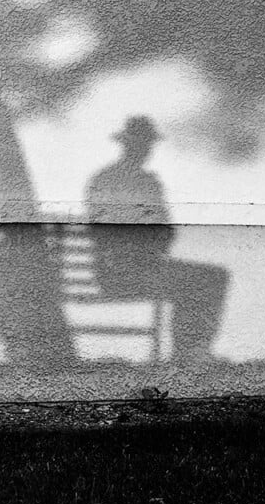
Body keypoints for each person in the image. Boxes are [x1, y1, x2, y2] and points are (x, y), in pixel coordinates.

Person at [85, 116, 228, 362]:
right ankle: (190, 351)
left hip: (112, 273)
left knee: (203, 277)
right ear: (130, 146)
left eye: (148, 145)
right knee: (210, 278)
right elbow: (163, 234)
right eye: (143, 144)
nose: (146, 150)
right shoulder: (147, 183)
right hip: (131, 274)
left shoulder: (102, 179)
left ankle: (189, 351)